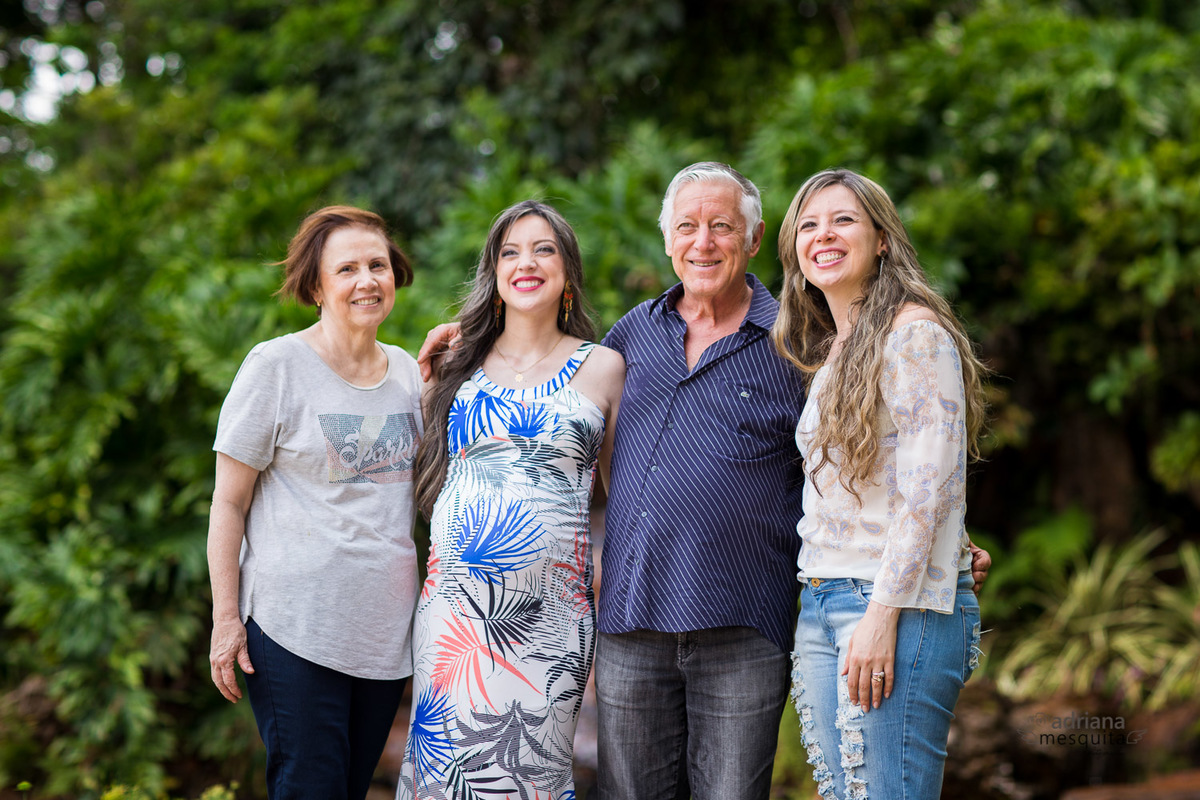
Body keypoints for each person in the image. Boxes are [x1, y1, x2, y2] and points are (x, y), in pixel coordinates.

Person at [771, 168, 988, 800]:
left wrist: (880, 615)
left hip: (891, 604)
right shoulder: (835, 347)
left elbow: (929, 486)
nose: (824, 235)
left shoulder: (914, 333)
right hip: (821, 597)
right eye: (808, 225)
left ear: (882, 239)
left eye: (843, 220)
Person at [396, 200, 625, 799]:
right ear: (494, 273)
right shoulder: (454, 364)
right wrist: (425, 386)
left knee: (529, 776)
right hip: (455, 622)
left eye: (544, 249)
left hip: (550, 625)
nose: (527, 263)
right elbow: (412, 469)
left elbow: (626, 500)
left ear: (568, 273)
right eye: (511, 252)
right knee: (446, 778)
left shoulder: (603, 368)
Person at [207, 206, 423, 800]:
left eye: (377, 265)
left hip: (383, 636)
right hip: (293, 628)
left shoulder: (409, 374)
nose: (366, 281)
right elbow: (227, 504)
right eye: (347, 268)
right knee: (310, 789)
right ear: (316, 286)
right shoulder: (276, 367)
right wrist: (227, 620)